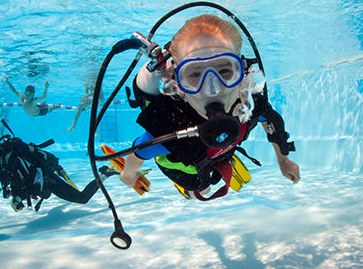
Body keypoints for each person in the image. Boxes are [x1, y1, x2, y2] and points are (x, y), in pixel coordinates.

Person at [120, 14, 300, 200]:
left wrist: (283, 159)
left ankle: (221, 156)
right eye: (194, 75)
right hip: (184, 165)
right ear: (177, 83)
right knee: (200, 190)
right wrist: (128, 175)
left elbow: (270, 120)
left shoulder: (250, 100)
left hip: (220, 150)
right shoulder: (169, 125)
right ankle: (190, 190)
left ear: (242, 72)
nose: (212, 90)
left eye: (224, 71)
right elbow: (137, 153)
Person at [0, 130, 118, 211]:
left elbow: (22, 184)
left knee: (82, 198)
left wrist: (17, 199)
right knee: (51, 196)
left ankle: (104, 172)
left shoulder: (11, 160)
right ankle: (104, 172)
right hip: (36, 184)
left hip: (45, 179)